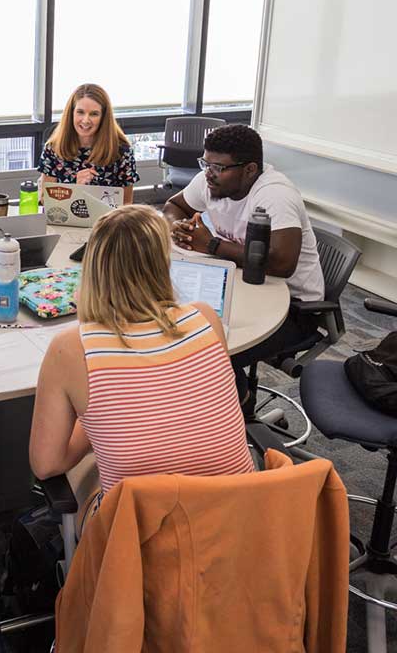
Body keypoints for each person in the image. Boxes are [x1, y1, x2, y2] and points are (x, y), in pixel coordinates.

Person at [29, 205, 253, 518]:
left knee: (83, 471)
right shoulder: (206, 317)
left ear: (93, 266)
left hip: (140, 545)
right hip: (241, 525)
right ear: (164, 263)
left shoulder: (70, 347)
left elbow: (46, 465)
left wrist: (95, 422)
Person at [162, 123, 325, 417]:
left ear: (250, 170)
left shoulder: (275, 196)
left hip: (294, 308)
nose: (208, 173)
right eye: (205, 163)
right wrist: (176, 224)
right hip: (242, 284)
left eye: (218, 167)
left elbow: (282, 264)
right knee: (176, 328)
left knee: (203, 350)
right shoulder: (210, 181)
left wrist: (211, 245)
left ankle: (236, 410)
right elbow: (174, 205)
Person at [38, 83, 139, 204]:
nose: (85, 120)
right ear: (71, 114)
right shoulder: (53, 148)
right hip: (63, 221)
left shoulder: (122, 152)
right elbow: (44, 200)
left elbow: (126, 205)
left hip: (107, 221)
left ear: (103, 117)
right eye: (80, 112)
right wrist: (75, 188)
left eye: (94, 114)